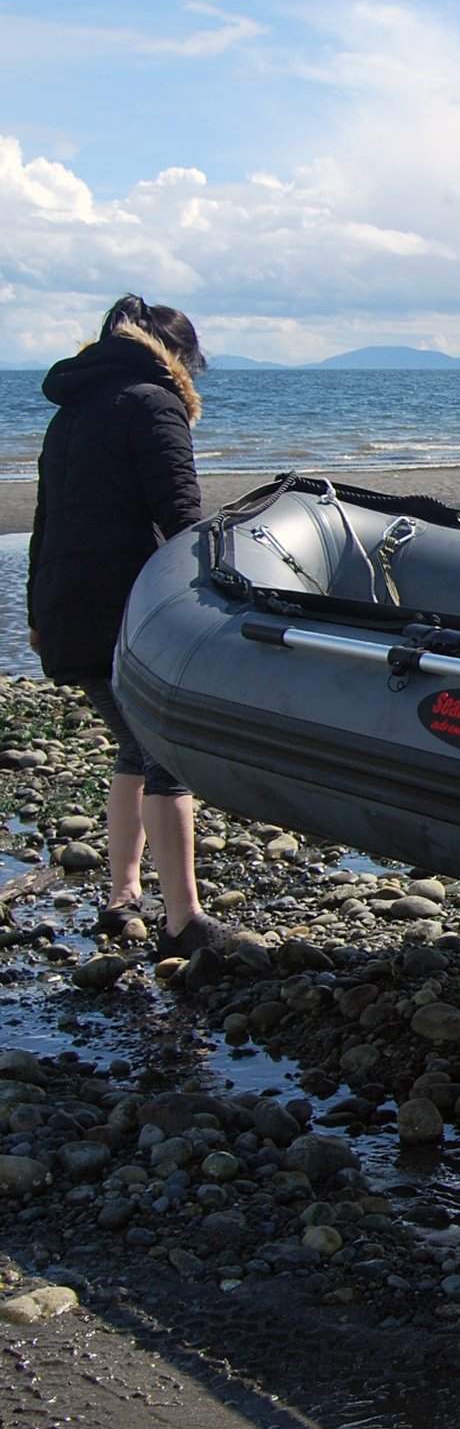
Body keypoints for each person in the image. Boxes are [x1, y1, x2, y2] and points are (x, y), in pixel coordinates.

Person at [27, 294, 230, 957]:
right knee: (165, 752)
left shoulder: (76, 408)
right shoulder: (152, 401)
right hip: (128, 615)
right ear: (177, 358)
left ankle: (122, 900)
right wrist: (221, 597)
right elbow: (180, 516)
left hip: (68, 611)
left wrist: (37, 617)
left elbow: (44, 526)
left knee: (132, 748)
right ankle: (183, 923)